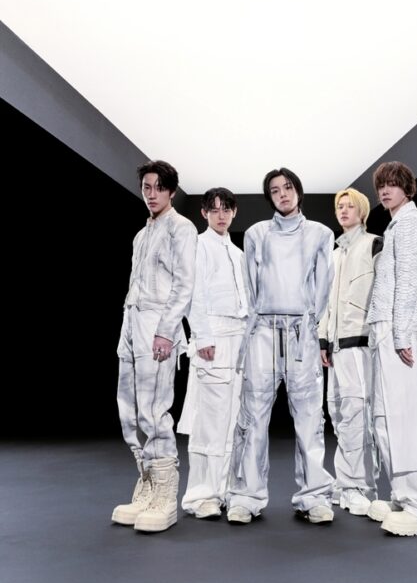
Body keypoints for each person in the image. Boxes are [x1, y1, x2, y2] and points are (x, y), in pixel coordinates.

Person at [226, 168, 335, 524]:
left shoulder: (320, 234)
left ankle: (314, 496)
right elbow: (250, 287)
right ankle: (247, 496)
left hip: (302, 331)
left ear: (298, 191)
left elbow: (323, 287)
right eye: (275, 190)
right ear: (269, 197)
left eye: (288, 187)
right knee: (253, 415)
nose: (283, 194)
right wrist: (256, 327)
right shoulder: (256, 234)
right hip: (263, 330)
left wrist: (310, 326)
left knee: (309, 416)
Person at [111, 160, 197, 533]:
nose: (152, 194)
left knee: (154, 408)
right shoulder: (141, 234)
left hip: (157, 323)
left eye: (159, 187)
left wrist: (165, 330)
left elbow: (184, 284)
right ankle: (146, 486)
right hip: (132, 320)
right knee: (129, 409)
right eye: (147, 187)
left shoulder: (182, 228)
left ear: (171, 191)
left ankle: (165, 495)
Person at [366, 161, 417, 536]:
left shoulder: (412, 224)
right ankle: (404, 495)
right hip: (386, 331)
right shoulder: (396, 224)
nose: (385, 190)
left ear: (407, 188)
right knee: (385, 418)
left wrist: (400, 335)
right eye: (381, 185)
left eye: (393, 184)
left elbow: (410, 281)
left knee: (405, 418)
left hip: (400, 331)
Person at [177, 187, 249, 519]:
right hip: (213, 339)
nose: (221, 215)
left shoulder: (237, 253)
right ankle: (200, 495)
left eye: (226, 209)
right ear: (204, 213)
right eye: (214, 209)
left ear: (234, 212)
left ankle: (225, 490)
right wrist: (203, 336)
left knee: (233, 420)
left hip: (238, 341)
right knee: (209, 421)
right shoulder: (198, 245)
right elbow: (193, 294)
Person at [319, 188, 382, 515]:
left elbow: (382, 294)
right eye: (340, 206)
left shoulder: (373, 244)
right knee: (339, 413)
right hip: (336, 346)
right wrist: (323, 339)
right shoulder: (334, 254)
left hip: (360, 344)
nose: (344, 211)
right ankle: (346, 483)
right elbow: (326, 302)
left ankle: (360, 486)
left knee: (359, 412)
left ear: (362, 211)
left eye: (350, 206)